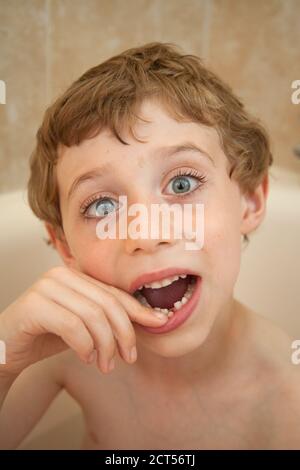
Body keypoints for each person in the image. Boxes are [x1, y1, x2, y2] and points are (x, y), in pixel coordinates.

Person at [0, 42, 299, 450]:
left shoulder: (288, 396)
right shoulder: (68, 350)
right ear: (66, 247)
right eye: (102, 205)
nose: (145, 233)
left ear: (251, 200)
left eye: (182, 184)